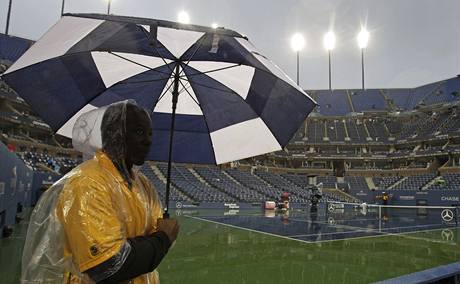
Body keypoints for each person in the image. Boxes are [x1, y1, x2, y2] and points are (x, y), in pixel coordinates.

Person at [21, 101, 179, 283]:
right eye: (139, 132)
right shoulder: (87, 183)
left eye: (150, 133)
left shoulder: (144, 185)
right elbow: (108, 266)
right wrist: (163, 238)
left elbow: (152, 235)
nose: (148, 140)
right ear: (114, 135)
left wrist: (158, 237)